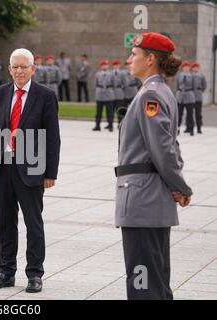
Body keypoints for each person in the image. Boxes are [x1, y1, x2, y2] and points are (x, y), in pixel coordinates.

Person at [116, 32, 193, 300]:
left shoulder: (151, 95)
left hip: (143, 198)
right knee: (154, 279)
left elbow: (163, 149)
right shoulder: (158, 92)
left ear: (150, 59)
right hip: (149, 197)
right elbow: (171, 146)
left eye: (134, 55)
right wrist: (177, 184)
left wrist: (180, 186)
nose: (128, 60)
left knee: (142, 281)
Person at [0, 48, 61, 294]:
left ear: (33, 69)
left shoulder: (45, 96)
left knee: (33, 223)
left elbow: (53, 137)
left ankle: (34, 274)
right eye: (15, 67)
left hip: (32, 169)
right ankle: (6, 272)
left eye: (23, 67)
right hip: (4, 167)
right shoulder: (0, 92)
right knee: (6, 222)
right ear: (9, 69)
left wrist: (50, 173)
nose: (19, 71)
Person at [93, 59, 114, 132]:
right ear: (101, 66)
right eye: (103, 65)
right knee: (98, 111)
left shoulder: (111, 74)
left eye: (105, 65)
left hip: (109, 94)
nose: (104, 66)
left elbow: (113, 84)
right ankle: (97, 125)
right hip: (100, 94)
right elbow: (95, 83)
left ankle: (110, 125)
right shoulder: (97, 74)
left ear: (108, 66)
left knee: (109, 111)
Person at [176, 61, 195, 136]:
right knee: (179, 114)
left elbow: (194, 85)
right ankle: (177, 128)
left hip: (189, 96)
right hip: (180, 97)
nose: (186, 68)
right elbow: (177, 85)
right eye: (184, 67)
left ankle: (191, 129)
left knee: (190, 114)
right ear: (182, 68)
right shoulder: (179, 75)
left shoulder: (192, 75)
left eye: (187, 66)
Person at [191, 62, 206, 134]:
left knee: (198, 113)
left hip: (198, 97)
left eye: (196, 67)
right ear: (192, 68)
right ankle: (190, 127)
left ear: (198, 68)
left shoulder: (201, 76)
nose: (195, 68)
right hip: (191, 96)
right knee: (190, 113)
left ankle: (199, 127)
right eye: (194, 67)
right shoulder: (190, 75)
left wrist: (200, 90)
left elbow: (204, 85)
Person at [111, 59, 125, 124]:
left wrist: (121, 88)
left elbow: (124, 83)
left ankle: (120, 123)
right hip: (112, 93)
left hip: (119, 93)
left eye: (117, 65)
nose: (116, 66)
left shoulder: (122, 73)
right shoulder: (110, 73)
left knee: (119, 109)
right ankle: (110, 124)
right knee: (111, 110)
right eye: (114, 65)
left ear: (119, 65)